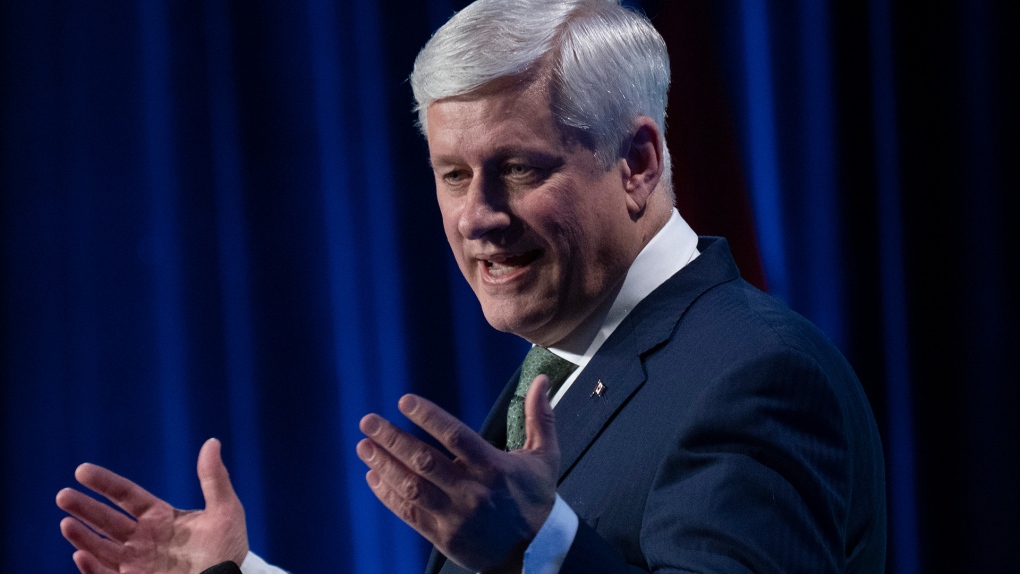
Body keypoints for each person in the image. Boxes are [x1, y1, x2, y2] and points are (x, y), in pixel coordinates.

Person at [55, 1, 887, 573]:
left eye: (518, 169)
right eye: (453, 175)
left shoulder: (753, 373)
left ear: (637, 163)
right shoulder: (563, 369)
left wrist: (539, 550)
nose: (477, 217)